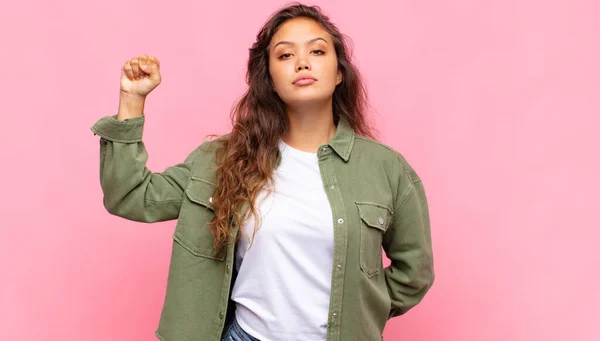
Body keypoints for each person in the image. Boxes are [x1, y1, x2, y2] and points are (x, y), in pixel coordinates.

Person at [90, 3, 434, 341]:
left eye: (317, 51)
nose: (302, 62)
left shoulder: (386, 169)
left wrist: (359, 310)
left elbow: (414, 273)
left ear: (339, 71)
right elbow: (132, 197)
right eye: (285, 55)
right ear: (268, 78)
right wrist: (132, 101)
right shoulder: (222, 159)